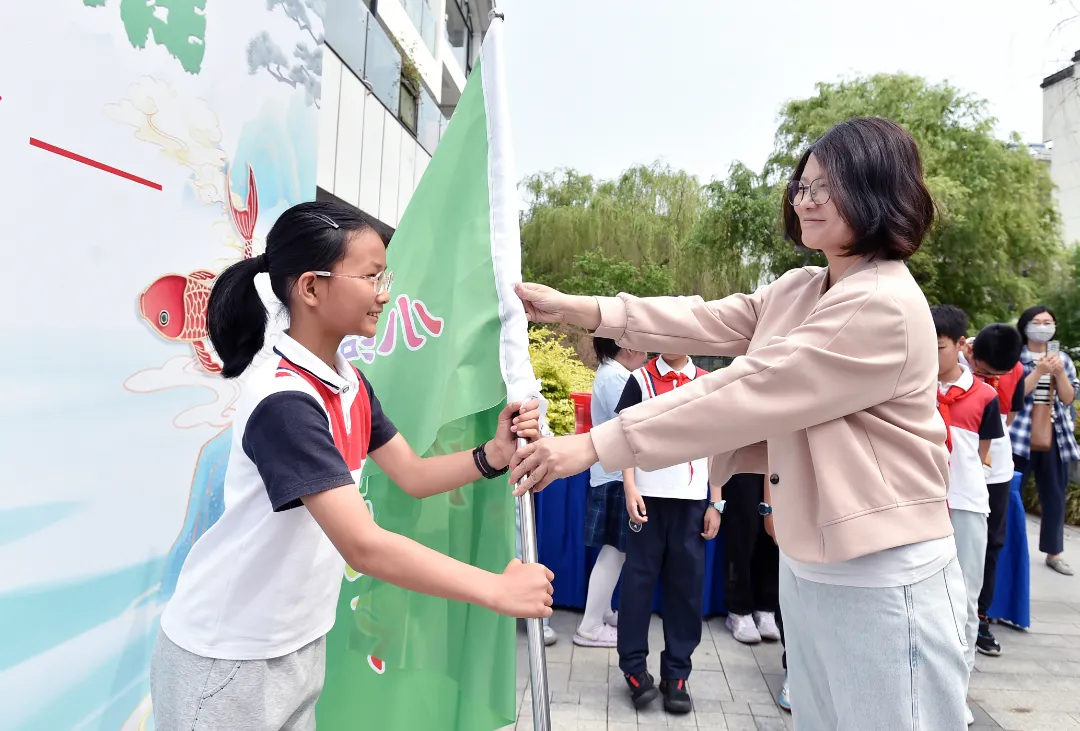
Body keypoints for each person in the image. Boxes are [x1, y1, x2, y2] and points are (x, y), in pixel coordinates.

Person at [509, 117, 971, 729]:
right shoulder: (808, 286)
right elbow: (706, 322)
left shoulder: (881, 303)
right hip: (816, 565)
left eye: (824, 188)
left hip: (885, 576)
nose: (804, 202)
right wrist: (583, 309)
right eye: (801, 186)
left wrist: (597, 444)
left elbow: (744, 391)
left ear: (876, 191)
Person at [150, 201, 555, 731]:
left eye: (383, 276)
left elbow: (411, 474)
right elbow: (362, 544)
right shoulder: (285, 402)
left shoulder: (348, 384)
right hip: (228, 656)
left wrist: (492, 455)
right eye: (370, 276)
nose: (384, 292)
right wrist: (494, 590)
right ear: (311, 288)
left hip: (296, 643)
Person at [613, 352, 717, 715]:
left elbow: (717, 445)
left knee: (686, 588)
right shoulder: (640, 380)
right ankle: (634, 669)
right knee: (638, 584)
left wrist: (715, 502)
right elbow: (623, 437)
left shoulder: (706, 381)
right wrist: (629, 486)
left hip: (691, 502)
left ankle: (677, 673)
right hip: (647, 500)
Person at [932, 305, 1004, 726]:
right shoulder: (912, 387)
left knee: (964, 600)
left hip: (965, 505)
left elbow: (981, 455)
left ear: (961, 345)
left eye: (939, 347)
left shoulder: (985, 396)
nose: (931, 354)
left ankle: (956, 692)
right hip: (919, 505)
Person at [574, 337, 646, 647]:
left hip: (612, 474)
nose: (648, 354)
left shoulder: (609, 372)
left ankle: (601, 611)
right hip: (617, 476)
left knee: (615, 550)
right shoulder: (618, 377)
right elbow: (635, 427)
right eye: (644, 346)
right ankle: (590, 625)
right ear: (629, 348)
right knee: (615, 550)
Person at [961, 324, 1025, 656]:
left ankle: (981, 616)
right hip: (956, 468)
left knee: (991, 544)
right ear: (970, 351)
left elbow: (1010, 414)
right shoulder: (952, 357)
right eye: (983, 372)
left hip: (996, 470)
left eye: (996, 374)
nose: (988, 378)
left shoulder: (1016, 368)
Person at [1010, 306, 1079, 576]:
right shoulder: (1015, 358)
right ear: (1025, 325)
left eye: (1048, 322)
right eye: (1037, 322)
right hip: (1018, 437)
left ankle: (1054, 552)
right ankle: (1006, 548)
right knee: (1011, 493)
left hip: (1055, 436)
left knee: (1054, 495)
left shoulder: (1062, 358)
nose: (1043, 326)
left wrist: (1059, 373)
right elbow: (1014, 395)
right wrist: (1038, 372)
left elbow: (1068, 397)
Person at [720, 473, 781, 645]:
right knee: (743, 528)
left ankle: (766, 607)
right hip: (744, 455)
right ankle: (738, 610)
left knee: (774, 532)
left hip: (778, 454)